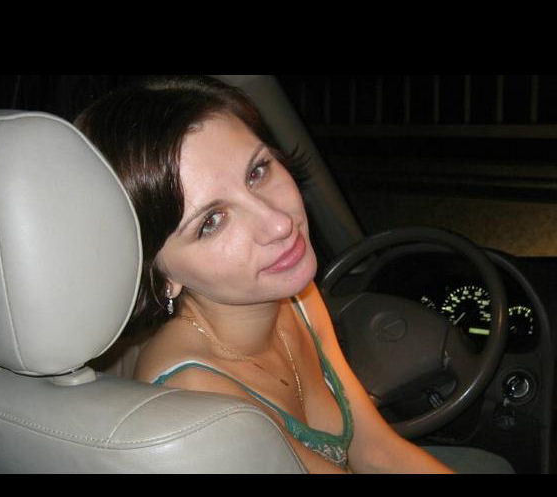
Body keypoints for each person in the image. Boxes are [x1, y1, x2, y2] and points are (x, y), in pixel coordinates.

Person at [75, 75, 512, 474]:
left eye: (257, 171)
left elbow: (374, 448)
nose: (280, 224)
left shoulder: (296, 295)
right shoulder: (200, 402)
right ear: (159, 274)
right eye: (211, 222)